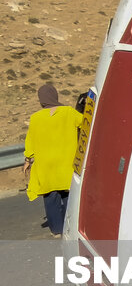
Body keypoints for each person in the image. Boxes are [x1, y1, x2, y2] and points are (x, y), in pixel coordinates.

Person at [23, 84, 83, 236]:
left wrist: (28, 160)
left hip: (45, 166)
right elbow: (85, 123)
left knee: (50, 198)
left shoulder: (35, 118)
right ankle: (70, 226)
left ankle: (56, 230)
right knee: (69, 196)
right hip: (66, 163)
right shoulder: (69, 112)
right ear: (55, 96)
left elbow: (30, 141)